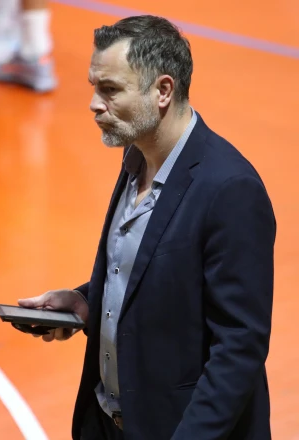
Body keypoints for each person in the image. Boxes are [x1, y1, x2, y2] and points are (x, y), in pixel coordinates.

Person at [17, 14, 276, 440]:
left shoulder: (231, 190)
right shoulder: (136, 157)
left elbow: (239, 347)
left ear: (163, 91)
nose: (93, 103)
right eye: (94, 87)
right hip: (110, 422)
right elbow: (153, 275)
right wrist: (86, 301)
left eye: (110, 90)